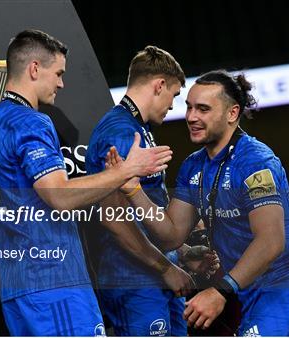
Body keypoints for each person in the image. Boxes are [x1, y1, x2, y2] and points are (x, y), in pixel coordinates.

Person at [0, 29, 185, 336]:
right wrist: (126, 170)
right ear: (34, 69)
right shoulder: (31, 121)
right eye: (58, 73)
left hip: (17, 288)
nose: (61, 83)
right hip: (55, 283)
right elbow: (59, 196)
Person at [108, 70, 289, 335]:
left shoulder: (255, 161)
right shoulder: (193, 165)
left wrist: (220, 291)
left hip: (287, 286)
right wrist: (133, 190)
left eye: (203, 109)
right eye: (188, 107)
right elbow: (171, 234)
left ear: (232, 113)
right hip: (249, 293)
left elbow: (271, 241)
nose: (191, 117)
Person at [86, 45, 218, 336]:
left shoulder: (136, 128)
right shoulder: (121, 133)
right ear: (159, 85)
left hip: (153, 278)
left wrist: (180, 251)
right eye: (173, 95)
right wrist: (165, 268)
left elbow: (142, 210)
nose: (173, 106)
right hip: (134, 281)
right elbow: (115, 219)